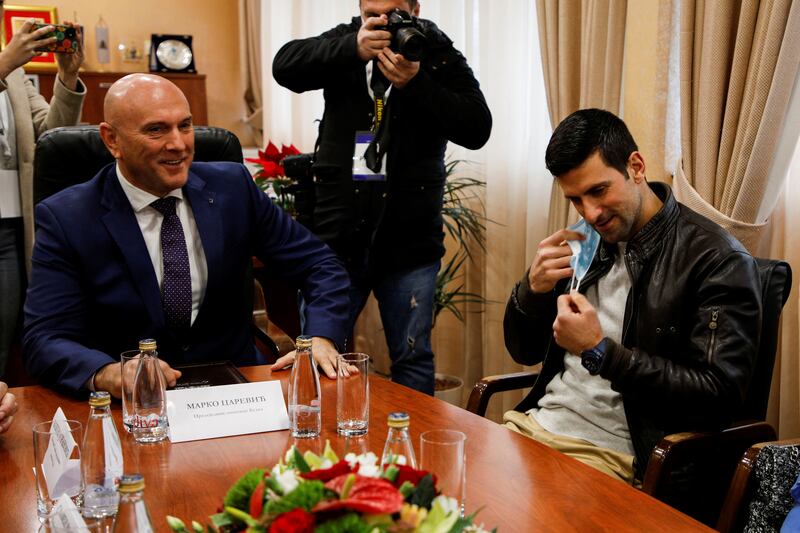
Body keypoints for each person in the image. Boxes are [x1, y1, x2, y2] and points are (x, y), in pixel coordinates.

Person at [23, 74, 350, 397]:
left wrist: (320, 338)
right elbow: (45, 337)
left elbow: (319, 265)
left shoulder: (233, 188)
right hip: (134, 406)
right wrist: (109, 373)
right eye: (156, 130)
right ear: (112, 140)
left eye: (185, 125)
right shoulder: (67, 217)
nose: (178, 144)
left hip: (235, 391)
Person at [503, 108, 762, 485]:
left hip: (619, 458)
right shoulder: (584, 238)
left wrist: (599, 352)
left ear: (636, 167)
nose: (590, 213)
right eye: (576, 199)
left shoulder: (717, 259)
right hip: (534, 426)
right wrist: (532, 290)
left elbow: (717, 398)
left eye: (599, 191)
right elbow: (523, 351)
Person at [272, 0, 492, 394]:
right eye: (371, 12)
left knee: (412, 357)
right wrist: (352, 49)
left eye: (392, 11)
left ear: (415, 9)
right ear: (360, 10)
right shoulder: (347, 40)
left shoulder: (435, 52)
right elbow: (284, 66)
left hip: (409, 241)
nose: (382, 21)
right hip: (338, 238)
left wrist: (418, 83)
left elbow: (477, 127)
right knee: (319, 352)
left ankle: (409, 452)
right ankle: (320, 449)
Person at [0, 16, 85, 380]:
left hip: (13, 226)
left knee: (8, 339)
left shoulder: (15, 71)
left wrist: (66, 75)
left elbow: (51, 134)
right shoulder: (7, 62)